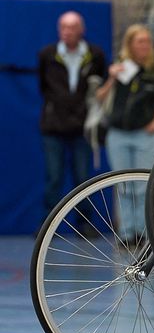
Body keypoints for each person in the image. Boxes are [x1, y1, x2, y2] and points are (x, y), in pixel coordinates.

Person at [96, 24, 154, 244]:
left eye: (147, 41)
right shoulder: (119, 67)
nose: (145, 45)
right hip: (118, 134)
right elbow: (99, 97)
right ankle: (127, 233)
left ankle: (146, 233)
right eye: (140, 41)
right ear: (130, 44)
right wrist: (111, 78)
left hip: (145, 135)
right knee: (124, 185)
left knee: (145, 185)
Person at [37, 11, 107, 220]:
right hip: (53, 127)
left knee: (83, 177)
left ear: (82, 30)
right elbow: (44, 87)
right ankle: (47, 224)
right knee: (54, 177)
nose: (67, 32)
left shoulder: (96, 55)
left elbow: (98, 87)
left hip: (82, 126)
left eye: (72, 27)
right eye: (63, 27)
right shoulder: (46, 55)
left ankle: (85, 224)